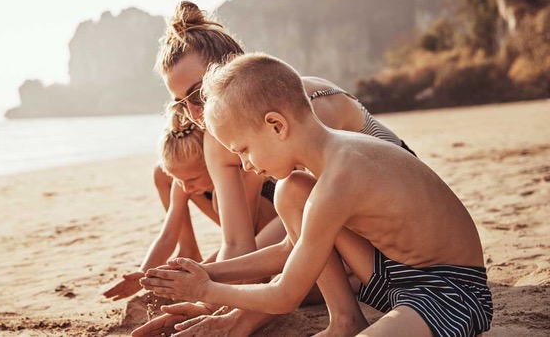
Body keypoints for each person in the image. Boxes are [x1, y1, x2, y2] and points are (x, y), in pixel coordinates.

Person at [141, 52, 493, 337]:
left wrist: (205, 291)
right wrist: (206, 271)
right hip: (391, 271)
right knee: (290, 193)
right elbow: (287, 252)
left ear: (276, 126)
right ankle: (345, 322)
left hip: (449, 289)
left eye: (244, 149)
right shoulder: (321, 168)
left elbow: (286, 295)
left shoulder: (342, 176)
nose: (246, 166)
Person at [133, 1, 418, 336]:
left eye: (197, 94)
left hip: (403, 223)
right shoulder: (216, 139)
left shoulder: (300, 107)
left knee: (295, 227)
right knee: (290, 249)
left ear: (231, 65)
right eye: (181, 104)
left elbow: (308, 235)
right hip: (345, 233)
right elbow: (239, 244)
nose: (194, 113)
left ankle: (345, 320)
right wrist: (207, 304)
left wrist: (234, 319)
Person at [103, 105, 279, 301]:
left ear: (212, 162)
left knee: (218, 205)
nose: (186, 188)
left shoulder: (245, 175)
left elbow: (242, 244)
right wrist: (144, 272)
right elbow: (168, 235)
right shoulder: (186, 182)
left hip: (267, 232)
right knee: (161, 173)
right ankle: (189, 250)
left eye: (193, 179)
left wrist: (198, 273)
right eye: (181, 180)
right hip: (241, 236)